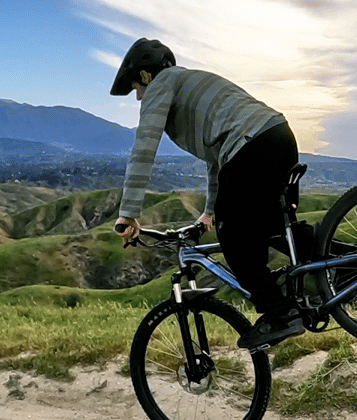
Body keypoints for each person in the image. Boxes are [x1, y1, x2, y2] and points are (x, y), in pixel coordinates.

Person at [110, 37, 306, 349]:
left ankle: (280, 314)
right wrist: (210, 211)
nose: (138, 98)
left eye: (136, 89)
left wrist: (129, 212)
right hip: (278, 136)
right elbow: (219, 162)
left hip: (251, 147)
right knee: (270, 229)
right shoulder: (192, 84)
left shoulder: (163, 83)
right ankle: (353, 265)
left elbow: (144, 147)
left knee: (234, 235)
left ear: (146, 76)